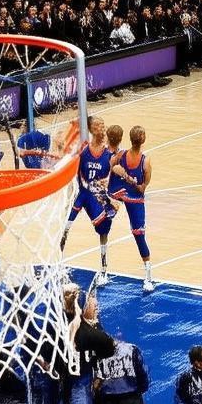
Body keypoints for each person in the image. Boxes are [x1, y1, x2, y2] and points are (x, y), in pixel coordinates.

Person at [60, 116, 116, 286]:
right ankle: (58, 264)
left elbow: (116, 179)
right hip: (81, 194)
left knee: (104, 231)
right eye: (99, 126)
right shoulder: (82, 150)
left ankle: (104, 268)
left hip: (96, 197)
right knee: (65, 227)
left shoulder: (110, 154)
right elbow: (65, 158)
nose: (103, 128)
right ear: (91, 129)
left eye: (103, 125)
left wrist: (114, 200)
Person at [110, 126, 156, 293]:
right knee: (139, 235)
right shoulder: (144, 160)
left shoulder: (126, 156)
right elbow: (143, 187)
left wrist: (126, 176)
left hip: (129, 197)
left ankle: (148, 275)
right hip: (127, 195)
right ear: (143, 140)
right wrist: (118, 172)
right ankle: (148, 277)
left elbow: (110, 166)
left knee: (137, 234)